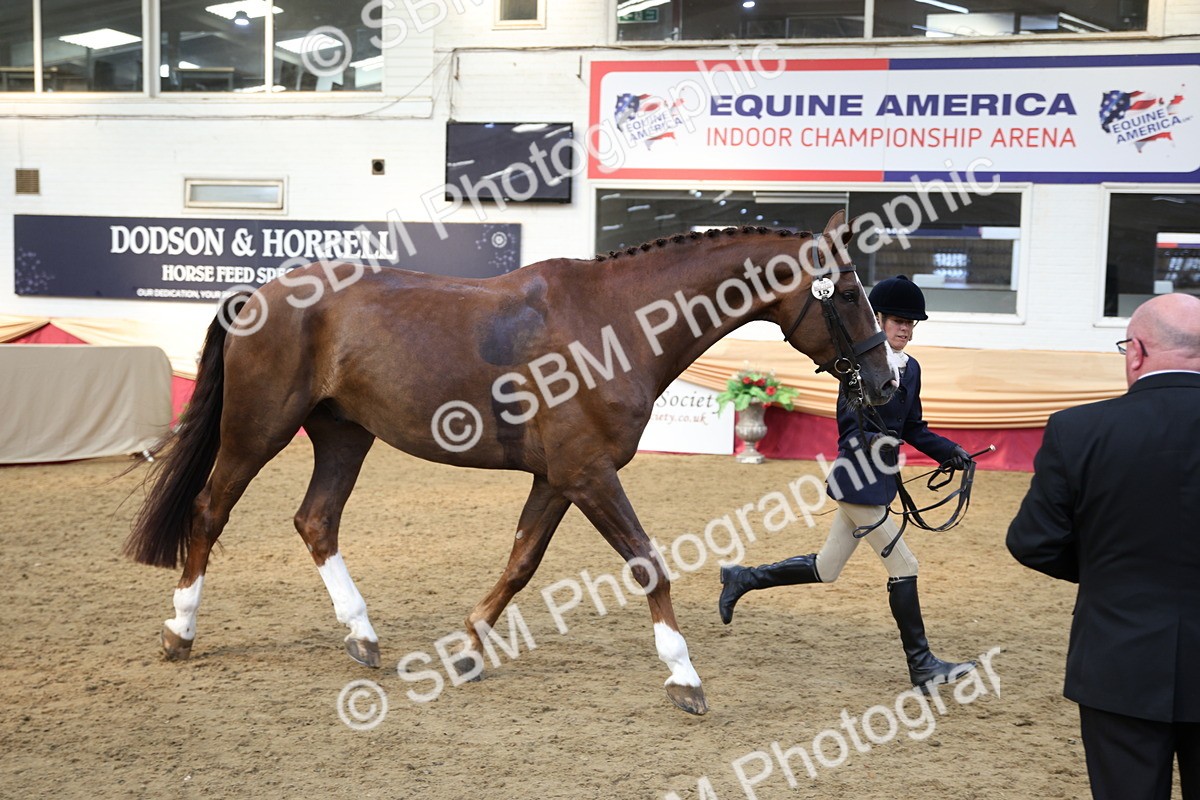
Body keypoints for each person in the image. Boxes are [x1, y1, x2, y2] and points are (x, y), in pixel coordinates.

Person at [719, 275, 977, 690]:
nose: (906, 330)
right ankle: (922, 665)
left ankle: (743, 578)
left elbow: (912, 426)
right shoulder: (860, 366)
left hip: (879, 482)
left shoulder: (911, 369)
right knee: (905, 565)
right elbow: (849, 424)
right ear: (879, 318)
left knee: (827, 568)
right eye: (899, 321)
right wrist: (874, 443)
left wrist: (950, 452)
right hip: (856, 480)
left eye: (911, 324)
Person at [1007, 292, 1200, 800]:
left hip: (1119, 658)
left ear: (1135, 352)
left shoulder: (1079, 429)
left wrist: (1107, 568)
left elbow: (1032, 542)